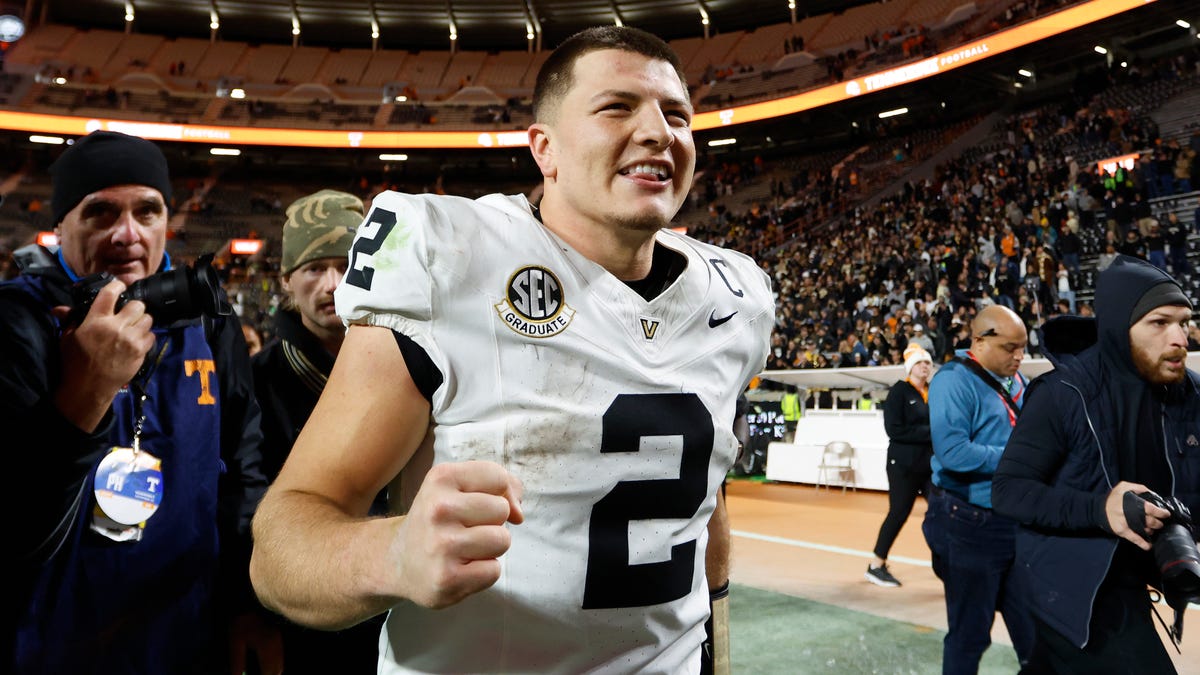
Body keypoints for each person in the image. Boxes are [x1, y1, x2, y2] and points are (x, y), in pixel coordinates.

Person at [249, 26, 774, 675]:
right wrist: (390, 555)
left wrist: (716, 639)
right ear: (544, 149)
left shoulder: (735, 294)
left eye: (677, 115)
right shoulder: (454, 258)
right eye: (618, 107)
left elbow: (707, 499)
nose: (658, 131)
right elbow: (279, 548)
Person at [0, 130, 276, 674]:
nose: (128, 234)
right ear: (62, 227)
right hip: (53, 643)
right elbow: (14, 515)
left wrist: (250, 603)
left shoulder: (209, 319)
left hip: (186, 634)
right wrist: (89, 387)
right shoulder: (18, 323)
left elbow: (244, 473)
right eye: (101, 213)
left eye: (147, 212)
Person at [993, 255, 1200, 673]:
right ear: (1120, 328)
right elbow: (1009, 491)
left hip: (1140, 571)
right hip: (1070, 582)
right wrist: (1100, 509)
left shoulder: (1189, 392)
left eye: (1185, 321)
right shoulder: (1062, 393)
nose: (1180, 337)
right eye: (1160, 323)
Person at [250, 190, 385, 674]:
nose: (332, 284)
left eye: (346, 265)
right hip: (304, 615)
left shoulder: (411, 365)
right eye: (313, 268)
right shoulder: (257, 381)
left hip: (397, 601)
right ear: (287, 281)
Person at [926, 304, 1035, 674]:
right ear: (979, 341)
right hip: (969, 523)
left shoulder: (1017, 380)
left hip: (1014, 520)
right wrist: (1020, 458)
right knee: (971, 634)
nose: (1019, 356)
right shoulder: (953, 380)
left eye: (1023, 347)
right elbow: (954, 453)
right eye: (1009, 347)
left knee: (1036, 633)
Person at [867, 344, 934, 588]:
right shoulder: (899, 392)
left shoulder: (932, 392)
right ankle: (876, 564)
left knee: (940, 510)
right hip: (903, 465)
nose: (925, 366)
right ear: (910, 367)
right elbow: (894, 430)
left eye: (927, 362)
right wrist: (931, 432)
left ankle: (947, 564)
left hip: (929, 466)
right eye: (920, 362)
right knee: (898, 513)